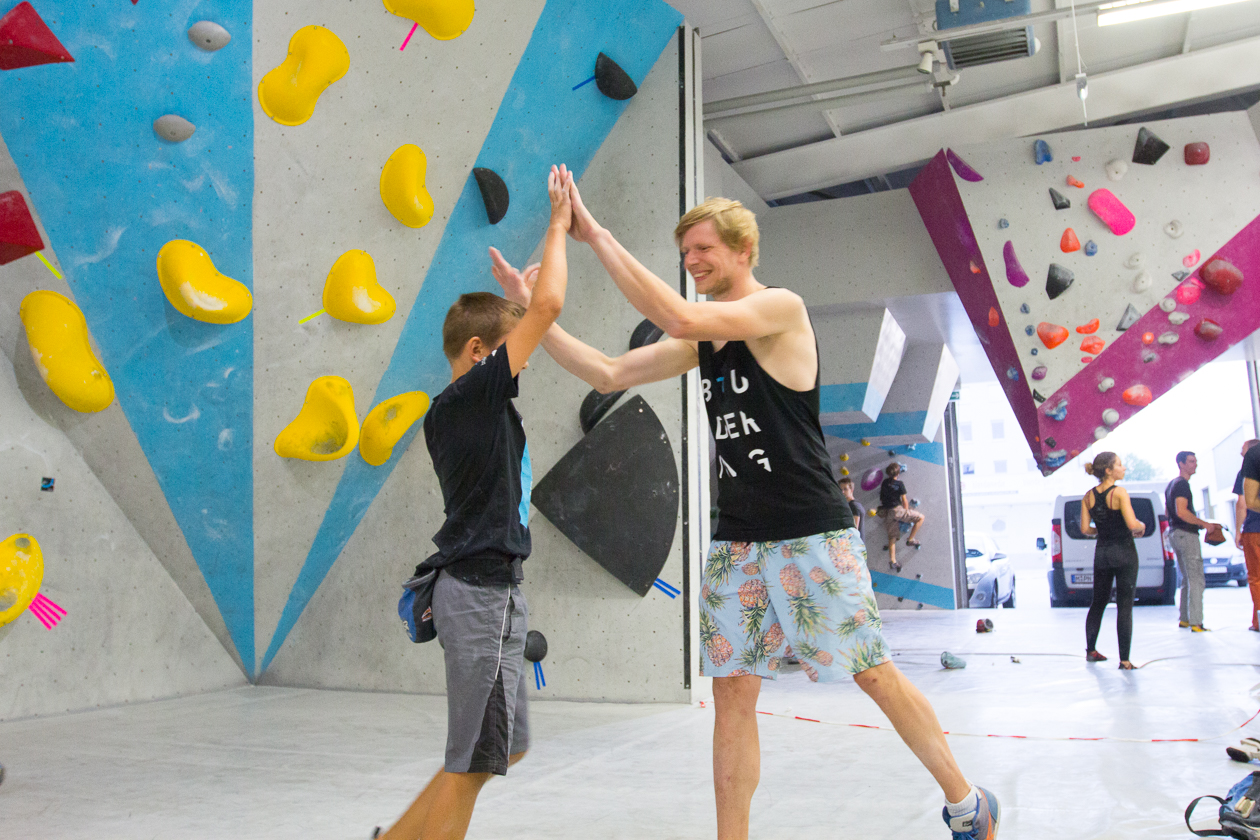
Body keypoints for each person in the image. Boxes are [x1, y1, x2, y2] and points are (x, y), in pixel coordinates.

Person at [493, 194, 999, 840]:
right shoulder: (707, 342)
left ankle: (966, 804)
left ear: (743, 251)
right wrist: (531, 311)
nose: (692, 261)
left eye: (703, 248)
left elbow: (673, 313)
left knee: (872, 670)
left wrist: (592, 233)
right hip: (737, 543)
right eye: (685, 254)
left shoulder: (779, 309)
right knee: (732, 695)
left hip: (812, 531)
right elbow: (610, 372)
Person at [375, 165, 573, 840]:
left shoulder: (482, 408)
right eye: (511, 351)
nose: (528, 359)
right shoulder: (467, 398)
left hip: (500, 588)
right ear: (479, 351)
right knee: (472, 760)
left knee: (499, 748)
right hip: (480, 589)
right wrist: (557, 224)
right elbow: (546, 310)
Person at [1080, 452, 1146, 670]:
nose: (1123, 468)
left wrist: (1102, 530)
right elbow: (1132, 524)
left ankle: (1091, 651)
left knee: (1098, 602)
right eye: (1119, 465)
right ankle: (1125, 660)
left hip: (1102, 554)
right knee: (1124, 606)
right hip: (1124, 552)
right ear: (1108, 470)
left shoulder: (1088, 496)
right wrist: (1142, 526)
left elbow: (1085, 529)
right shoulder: (1119, 493)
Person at [1165, 451, 1216, 631]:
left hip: (1175, 534)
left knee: (1187, 578)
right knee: (1196, 578)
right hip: (1186, 534)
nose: (1195, 464)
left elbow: (1168, 513)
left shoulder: (1171, 485)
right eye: (1191, 461)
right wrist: (1205, 524)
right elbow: (1181, 511)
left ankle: (1185, 619)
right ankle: (1197, 622)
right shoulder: (1182, 485)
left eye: (1196, 461)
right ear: (1181, 464)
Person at [878, 462, 924, 573]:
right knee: (920, 517)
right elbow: (904, 500)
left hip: (887, 512)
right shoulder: (899, 484)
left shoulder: (884, 483)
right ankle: (911, 539)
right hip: (897, 510)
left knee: (892, 537)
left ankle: (893, 561)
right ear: (898, 473)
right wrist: (906, 511)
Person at [1236, 439, 1260, 631]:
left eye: (1242, 450)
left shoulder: (1249, 464)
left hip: (1255, 529)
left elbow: (1243, 503)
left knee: (1256, 578)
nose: (1240, 454)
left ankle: (1258, 620)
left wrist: (1238, 531)